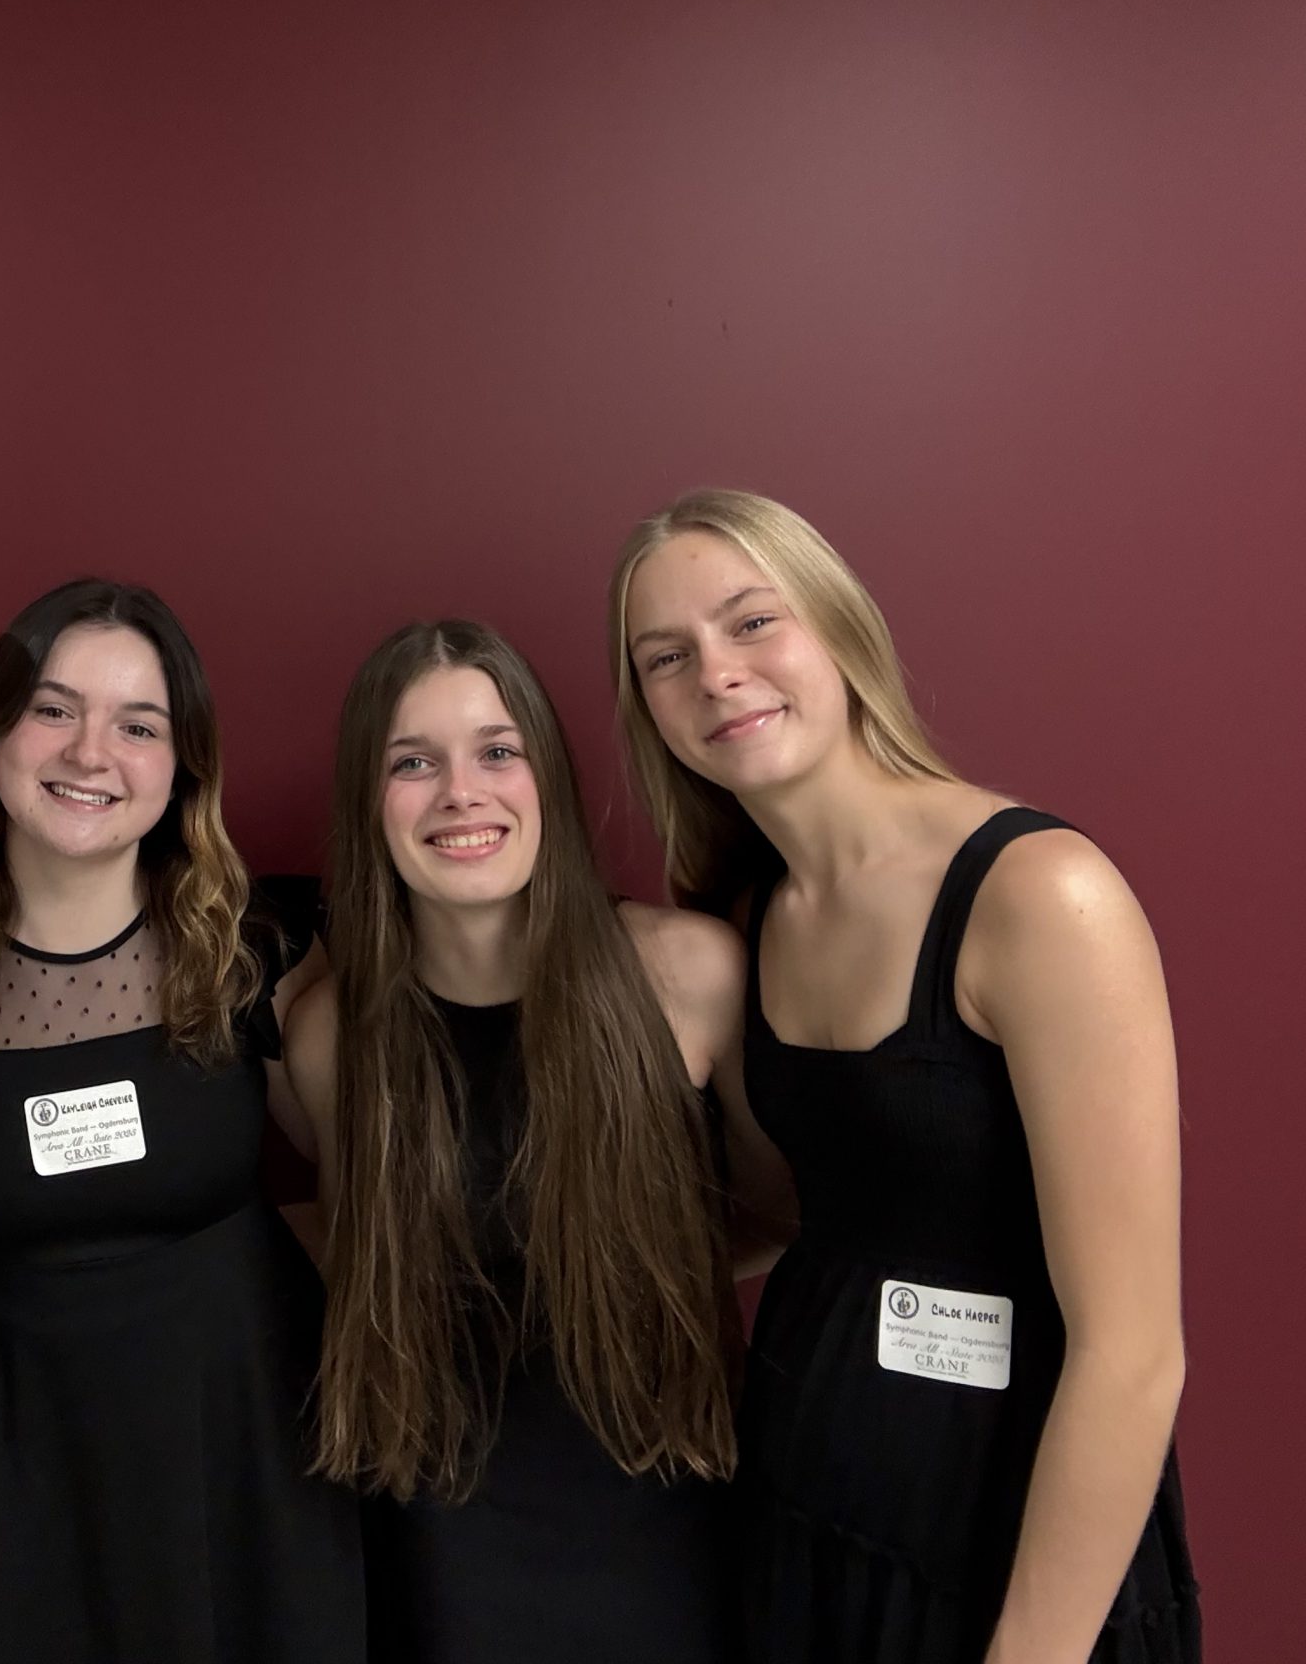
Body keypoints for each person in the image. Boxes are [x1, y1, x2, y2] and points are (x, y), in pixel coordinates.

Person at [610, 487, 1202, 1663]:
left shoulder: (1037, 896)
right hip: (802, 1521)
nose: (715, 674)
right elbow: (778, 1217)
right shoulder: (750, 920)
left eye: (751, 622)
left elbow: (1133, 1358)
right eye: (664, 657)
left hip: (1006, 1573)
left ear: (839, 630)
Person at [284, 618, 773, 1662]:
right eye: (413, 763)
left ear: (545, 772)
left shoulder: (687, 975)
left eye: (496, 751)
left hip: (670, 1517)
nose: (461, 793)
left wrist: (621, 1259)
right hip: (438, 1543)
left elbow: (779, 1214)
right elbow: (360, 1259)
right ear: (368, 801)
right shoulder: (332, 1036)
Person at [0, 578, 364, 1663]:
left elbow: (389, 1204)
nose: (89, 753)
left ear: (183, 764)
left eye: (138, 726)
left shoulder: (257, 951)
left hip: (243, 1462)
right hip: (15, 1479)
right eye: (54, 709)